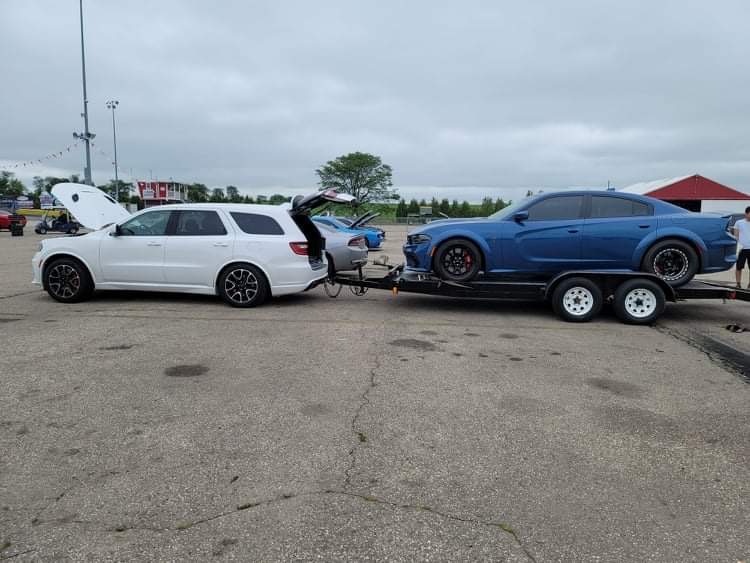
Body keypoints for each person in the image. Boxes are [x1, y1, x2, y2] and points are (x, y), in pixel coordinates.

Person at [732, 206, 750, 288]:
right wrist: (737, 248)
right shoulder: (739, 222)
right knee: (739, 267)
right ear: (746, 213)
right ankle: (738, 283)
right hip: (741, 249)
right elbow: (736, 236)